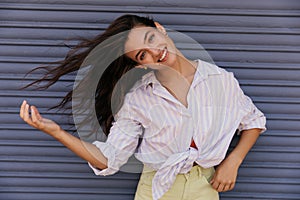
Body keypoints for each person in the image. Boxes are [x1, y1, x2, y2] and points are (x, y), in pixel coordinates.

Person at [19, 14, 266, 200]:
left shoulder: (219, 80)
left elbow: (253, 121)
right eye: (142, 55)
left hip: (205, 188)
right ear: (140, 66)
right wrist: (57, 132)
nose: (155, 52)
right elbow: (109, 160)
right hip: (155, 190)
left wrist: (233, 161)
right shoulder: (138, 98)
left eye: (151, 39)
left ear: (160, 28)